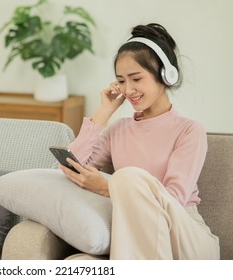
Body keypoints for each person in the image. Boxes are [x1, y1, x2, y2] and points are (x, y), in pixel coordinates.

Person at [58, 23, 220, 260]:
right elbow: (72, 168)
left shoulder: (189, 131)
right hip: (133, 234)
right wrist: (104, 112)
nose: (129, 89)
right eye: (121, 81)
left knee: (127, 176)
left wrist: (107, 187)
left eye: (136, 78)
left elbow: (173, 200)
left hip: (184, 235)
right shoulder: (119, 129)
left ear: (165, 75)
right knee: (77, 264)